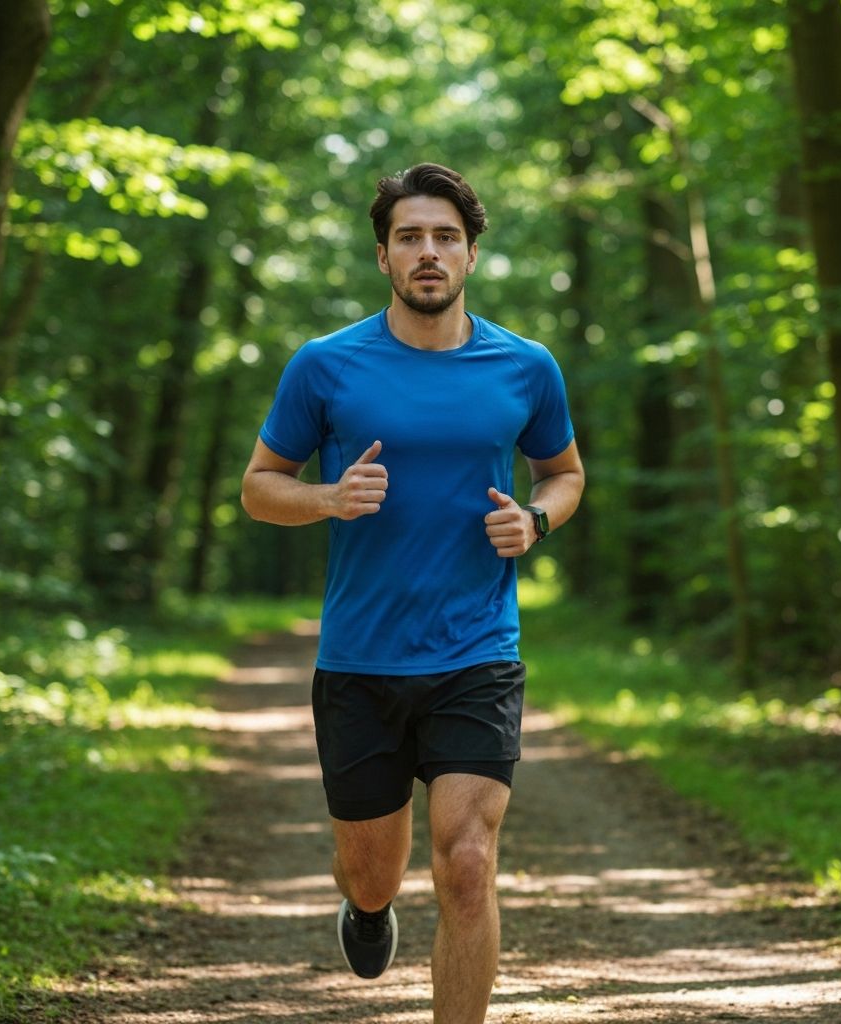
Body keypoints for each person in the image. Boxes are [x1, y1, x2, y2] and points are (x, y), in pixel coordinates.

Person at [240, 162, 584, 1024]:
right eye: (409, 238)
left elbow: (566, 473)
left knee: (467, 860)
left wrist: (536, 521)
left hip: (479, 649)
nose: (428, 253)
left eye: (445, 237)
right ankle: (366, 906)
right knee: (373, 867)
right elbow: (258, 485)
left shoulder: (525, 366)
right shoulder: (325, 367)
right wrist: (327, 498)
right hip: (360, 656)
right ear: (384, 257)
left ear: (470, 254)